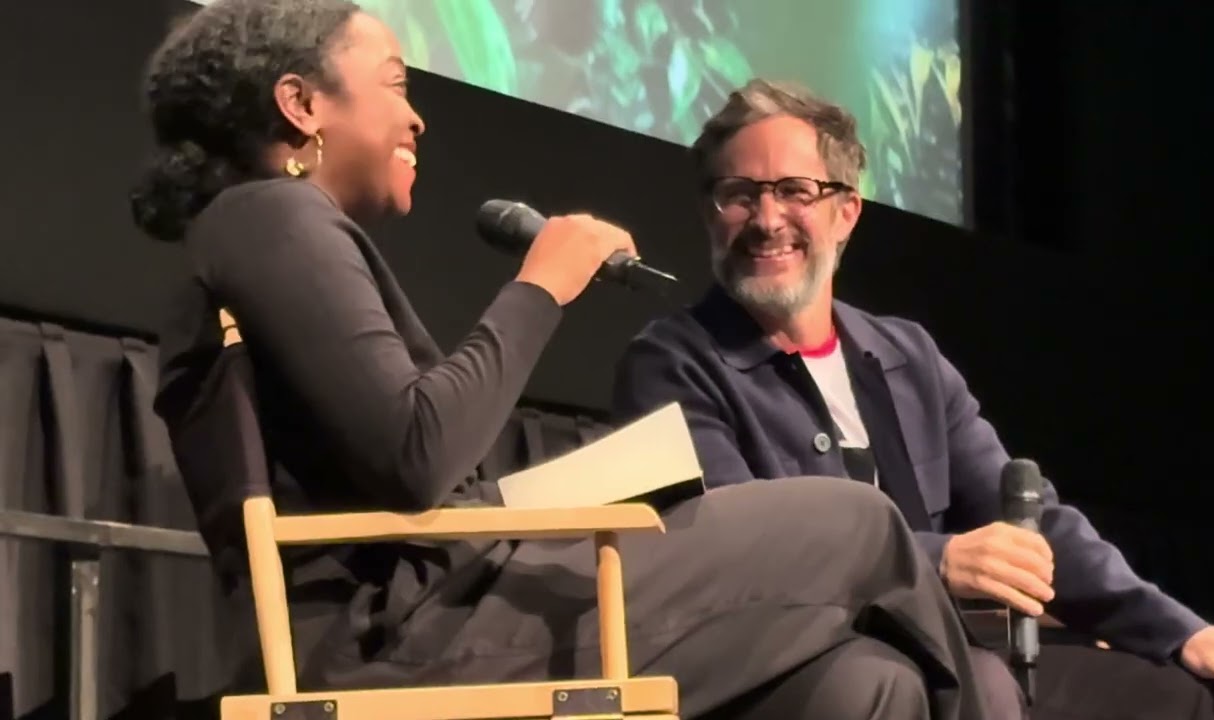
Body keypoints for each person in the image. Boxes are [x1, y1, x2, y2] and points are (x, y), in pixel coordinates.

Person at [131, 2, 999, 718]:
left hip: (448, 601)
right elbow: (417, 454)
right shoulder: (269, 217)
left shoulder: (266, 229)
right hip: (399, 636)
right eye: (395, 83)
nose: (416, 115)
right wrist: (543, 282)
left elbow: (399, 464)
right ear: (301, 104)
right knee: (858, 524)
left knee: (864, 682)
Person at [610, 78, 1214, 720]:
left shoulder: (907, 356)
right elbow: (740, 555)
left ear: (846, 213)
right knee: (937, 683)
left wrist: (1181, 632)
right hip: (795, 668)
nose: (766, 219)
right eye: (738, 195)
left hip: (948, 653)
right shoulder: (671, 364)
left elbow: (1032, 526)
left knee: (1187, 693)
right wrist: (937, 561)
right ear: (708, 214)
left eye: (794, 191)